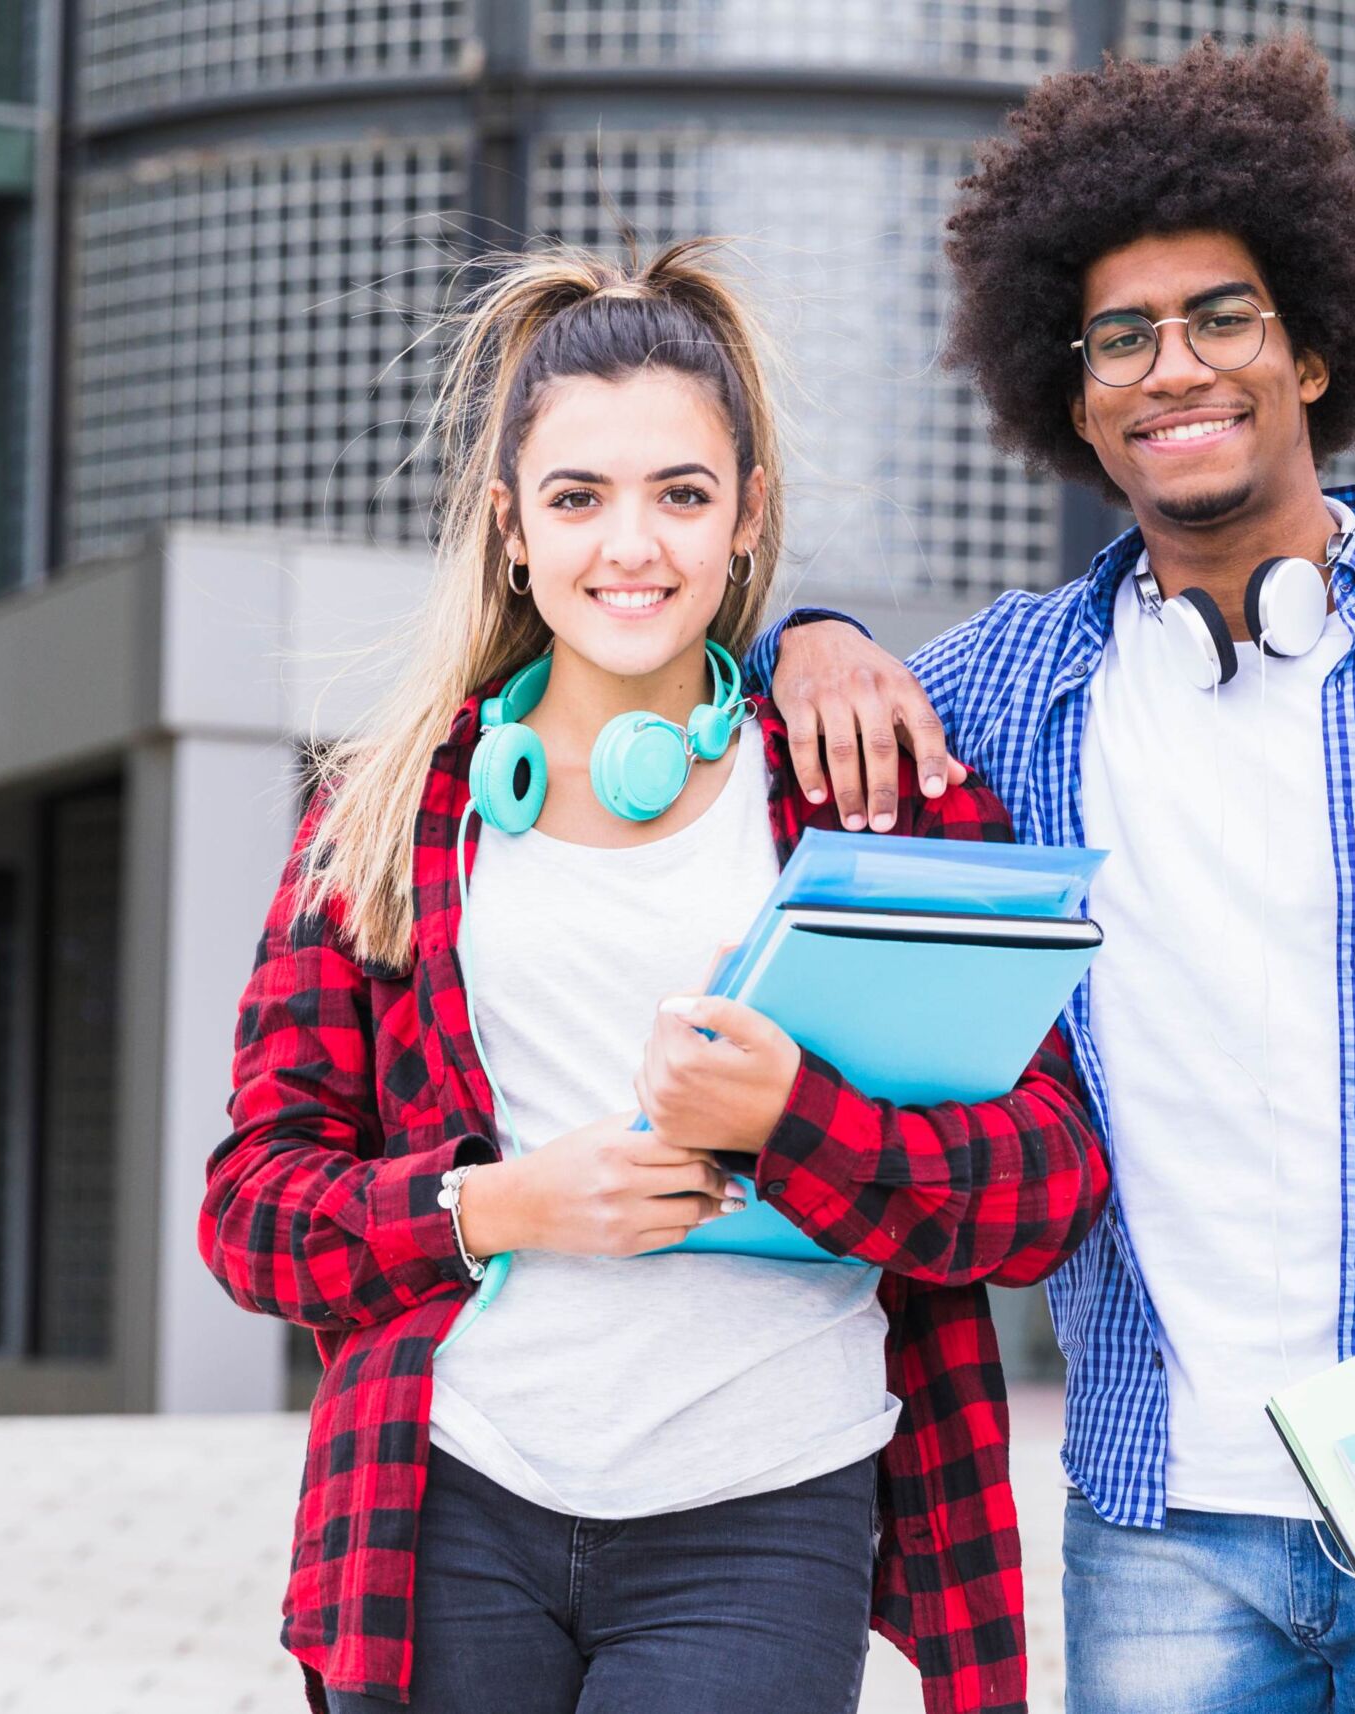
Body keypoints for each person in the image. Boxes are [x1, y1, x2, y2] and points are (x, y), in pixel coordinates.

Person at [758, 39, 1355, 1714]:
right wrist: (813, 636)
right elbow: (794, 706)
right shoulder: (1011, 688)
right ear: (1071, 396)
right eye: (1121, 336)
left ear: (1309, 346)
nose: (1174, 367)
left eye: (1221, 316)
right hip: (1161, 1530)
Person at [198, 239, 1107, 1714]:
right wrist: (496, 1203)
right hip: (444, 1501)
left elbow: (1049, 1180)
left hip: (765, 1503)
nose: (633, 544)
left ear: (748, 521)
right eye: (578, 497)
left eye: (681, 494)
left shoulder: (871, 789)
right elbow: (252, 1212)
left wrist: (795, 1115)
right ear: (509, 530)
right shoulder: (379, 815)